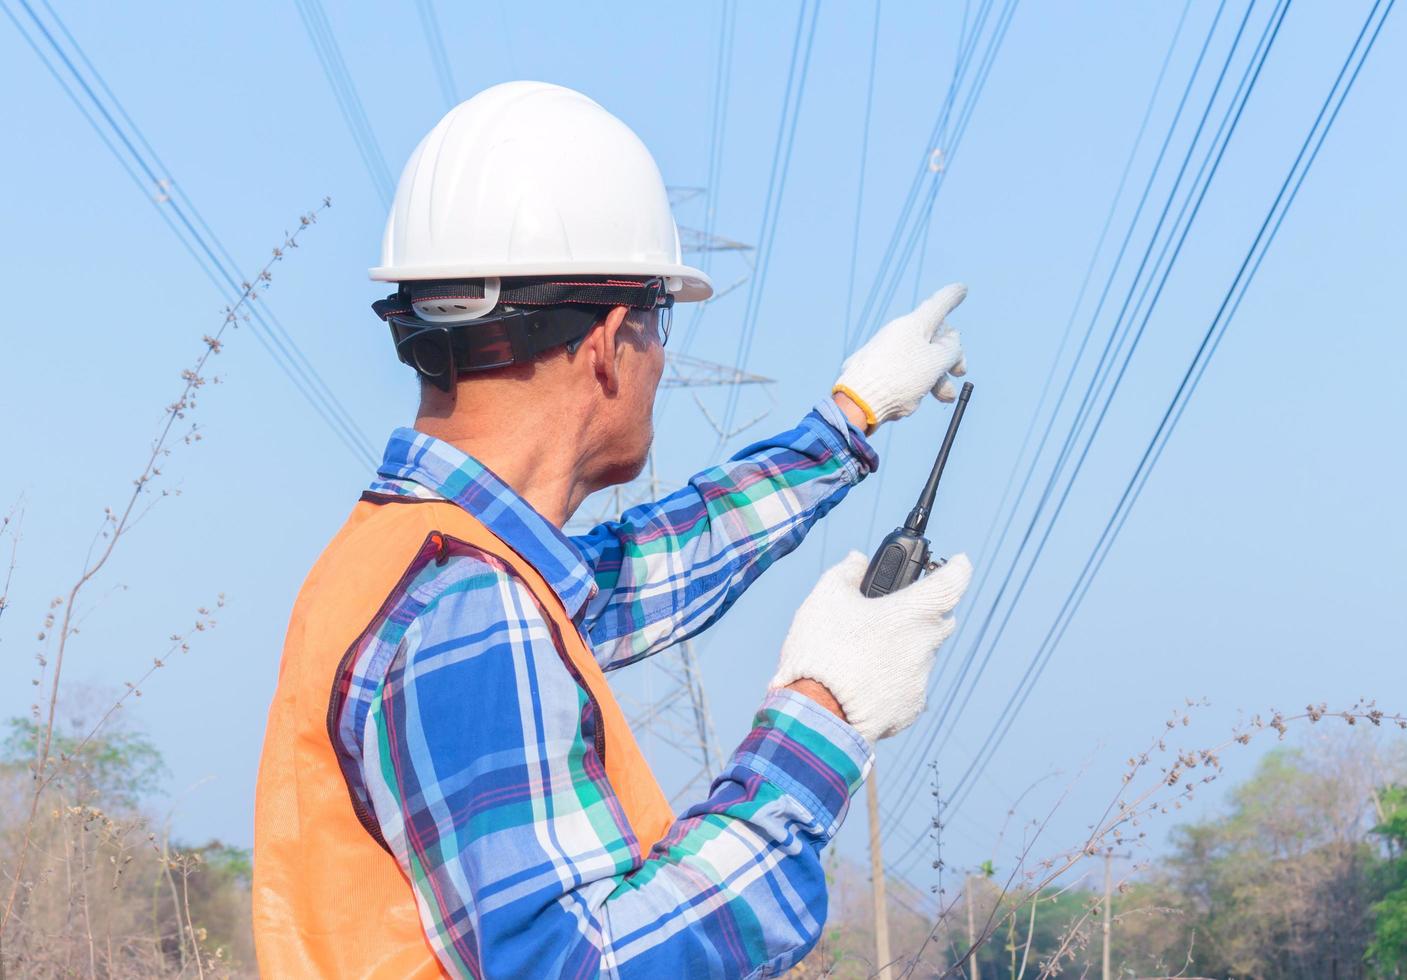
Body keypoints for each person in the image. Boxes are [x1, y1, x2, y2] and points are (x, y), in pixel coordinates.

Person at [253, 81, 974, 978]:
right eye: (658, 323)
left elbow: (629, 575)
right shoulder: (473, 603)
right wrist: (822, 713)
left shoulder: (415, 559)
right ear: (607, 340)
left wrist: (847, 423)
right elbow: (579, 967)